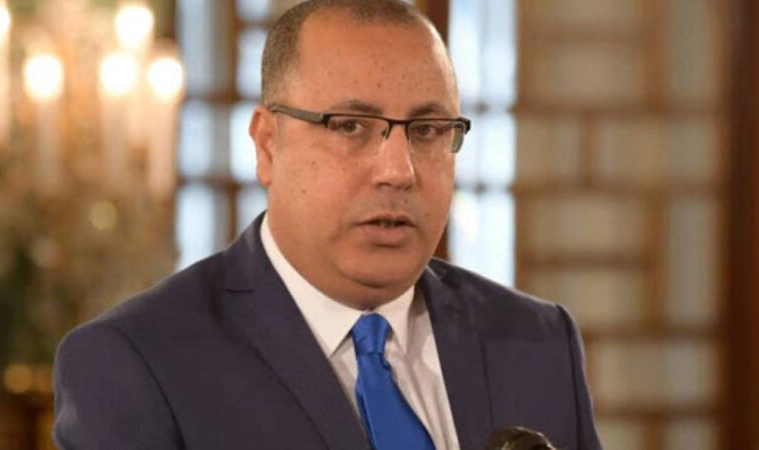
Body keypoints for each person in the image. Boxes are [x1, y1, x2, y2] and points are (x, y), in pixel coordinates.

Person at [52, 1, 602, 449]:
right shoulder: (136, 362)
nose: (399, 170)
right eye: (350, 126)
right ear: (268, 145)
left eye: (429, 130)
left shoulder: (537, 341)